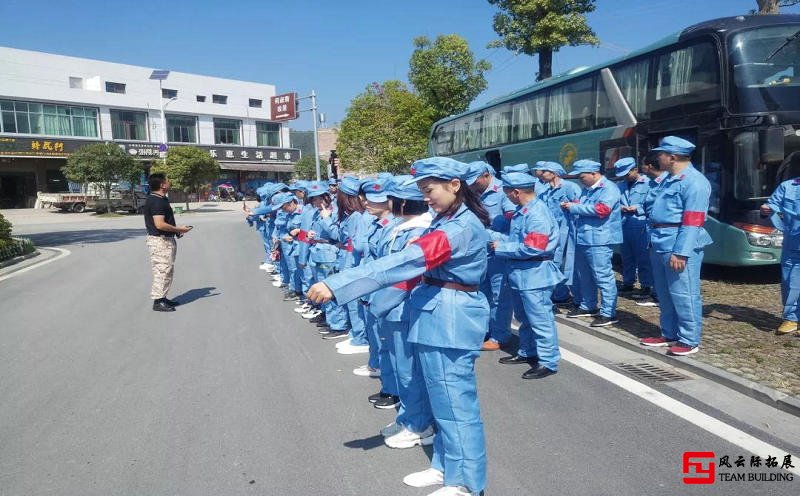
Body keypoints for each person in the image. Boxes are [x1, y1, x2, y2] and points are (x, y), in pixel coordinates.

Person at [308, 157, 490, 496]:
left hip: (449, 320)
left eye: (430, 189)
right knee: (442, 403)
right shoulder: (447, 219)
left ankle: (466, 483)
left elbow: (407, 261)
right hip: (437, 314)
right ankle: (447, 469)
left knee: (455, 406)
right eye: (422, 191)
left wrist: (339, 284)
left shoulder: (458, 228)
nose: (426, 197)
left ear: (454, 186)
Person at [640, 136, 712, 356]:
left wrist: (681, 252)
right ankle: (669, 333)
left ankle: (689, 339)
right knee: (664, 292)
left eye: (660, 154)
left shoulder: (695, 182)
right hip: (660, 240)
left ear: (671, 157)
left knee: (684, 293)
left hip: (678, 242)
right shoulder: (669, 180)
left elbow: (693, 221)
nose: (657, 157)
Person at [493, 171, 563, 379]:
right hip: (522, 273)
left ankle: (548, 361)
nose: (506, 197)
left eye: (507, 193)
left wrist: (501, 247)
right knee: (524, 317)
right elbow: (517, 239)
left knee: (540, 319)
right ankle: (528, 351)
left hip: (535, 273)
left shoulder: (536, 214)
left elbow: (533, 248)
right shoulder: (523, 210)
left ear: (515, 192)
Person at [561, 159, 622, 327]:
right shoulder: (587, 190)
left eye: (582, 176)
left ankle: (608, 312)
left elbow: (602, 210)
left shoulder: (609, 188)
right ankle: (588, 305)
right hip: (584, 238)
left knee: (603, 277)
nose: (580, 180)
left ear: (594, 173)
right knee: (585, 275)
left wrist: (573, 207)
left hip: (599, 240)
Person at [465, 161, 515, 351]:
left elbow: (514, 222)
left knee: (499, 295)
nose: (472, 185)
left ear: (486, 175)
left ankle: (499, 335)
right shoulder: (473, 192)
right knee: (481, 292)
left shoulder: (504, 192)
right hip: (480, 250)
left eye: (474, 180)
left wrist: (488, 227)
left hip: (498, 251)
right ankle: (484, 330)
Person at [533, 161, 582, 305]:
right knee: (555, 264)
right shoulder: (545, 191)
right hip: (553, 234)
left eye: (545, 171)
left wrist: (571, 207)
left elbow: (580, 206)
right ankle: (560, 295)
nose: (542, 173)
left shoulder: (570, 187)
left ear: (554, 173)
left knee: (570, 265)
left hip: (569, 232)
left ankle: (579, 299)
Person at [142, 173, 192, 312]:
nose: (170, 183)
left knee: (167, 270)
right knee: (162, 271)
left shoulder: (160, 199)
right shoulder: (156, 201)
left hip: (165, 240)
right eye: (168, 181)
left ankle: (163, 298)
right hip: (160, 241)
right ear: (162, 185)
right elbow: (159, 224)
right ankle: (158, 302)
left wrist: (176, 231)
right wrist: (179, 229)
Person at [762, 177, 800, 336]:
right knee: (789, 281)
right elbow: (772, 204)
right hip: (792, 243)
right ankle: (791, 318)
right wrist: (765, 209)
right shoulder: (788, 186)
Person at [614, 157, 653, 299]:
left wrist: (638, 208)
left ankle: (646, 285)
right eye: (622, 175)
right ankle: (628, 282)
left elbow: (653, 204)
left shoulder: (648, 184)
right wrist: (620, 208)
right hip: (624, 224)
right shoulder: (620, 186)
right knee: (627, 256)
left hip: (641, 225)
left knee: (643, 257)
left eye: (627, 174)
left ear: (635, 170)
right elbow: (612, 203)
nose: (625, 177)